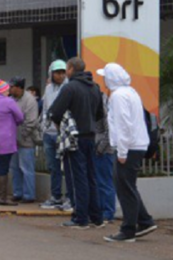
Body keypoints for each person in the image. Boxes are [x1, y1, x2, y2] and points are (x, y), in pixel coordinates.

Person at [96, 63, 157, 243]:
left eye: (105, 77)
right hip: (135, 145)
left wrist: (122, 151)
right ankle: (144, 221)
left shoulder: (118, 96)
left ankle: (128, 229)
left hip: (128, 147)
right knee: (128, 186)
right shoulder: (131, 92)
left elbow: (123, 125)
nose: (104, 80)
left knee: (124, 188)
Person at [48, 57, 105, 229]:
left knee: (77, 178)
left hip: (73, 138)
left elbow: (55, 112)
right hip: (90, 136)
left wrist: (62, 123)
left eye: (67, 69)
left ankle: (80, 218)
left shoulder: (70, 88)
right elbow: (99, 114)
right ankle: (96, 217)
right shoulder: (95, 87)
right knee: (91, 177)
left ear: (71, 69)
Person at [40, 60, 72, 211]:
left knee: (67, 166)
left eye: (62, 72)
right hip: (49, 133)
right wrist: (43, 127)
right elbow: (46, 109)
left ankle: (70, 198)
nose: (60, 75)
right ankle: (56, 196)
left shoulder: (69, 88)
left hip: (63, 133)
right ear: (51, 73)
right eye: (57, 72)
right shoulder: (48, 89)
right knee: (53, 167)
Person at [0, 79, 24, 206]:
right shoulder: (9, 102)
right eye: (7, 90)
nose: (9, 92)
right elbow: (20, 117)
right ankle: (2, 197)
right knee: (4, 167)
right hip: (6, 139)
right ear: (3, 90)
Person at [9, 76, 38, 203]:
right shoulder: (10, 99)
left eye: (12, 86)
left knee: (27, 169)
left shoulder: (30, 100)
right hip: (13, 140)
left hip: (26, 141)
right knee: (15, 168)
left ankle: (29, 195)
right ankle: (17, 192)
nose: (10, 88)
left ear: (19, 88)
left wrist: (21, 136)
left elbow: (31, 122)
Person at [94, 83, 117, 225]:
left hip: (105, 150)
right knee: (100, 182)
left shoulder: (103, 106)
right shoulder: (100, 103)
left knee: (105, 182)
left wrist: (100, 148)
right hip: (101, 148)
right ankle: (103, 211)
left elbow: (109, 131)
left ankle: (108, 212)